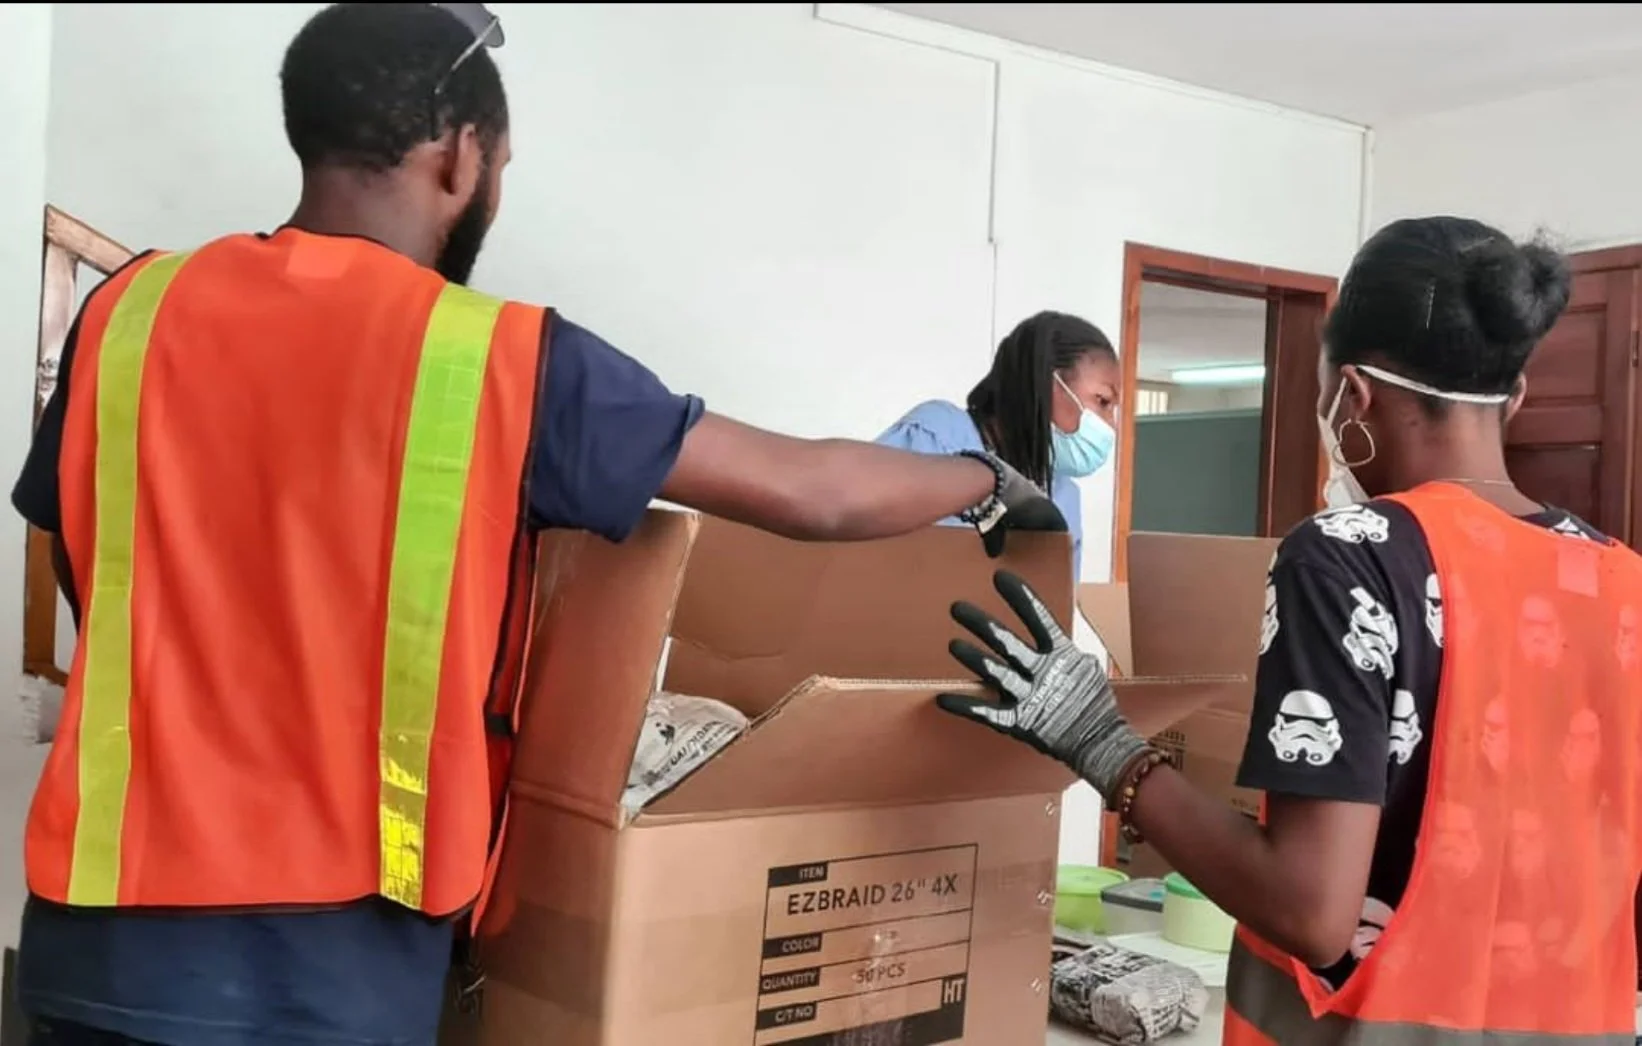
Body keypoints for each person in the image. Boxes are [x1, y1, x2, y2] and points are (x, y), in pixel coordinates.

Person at [10, 5, 1059, 1046]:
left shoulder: (131, 309)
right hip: (331, 959)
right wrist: (980, 478)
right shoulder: (497, 358)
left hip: (96, 938)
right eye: (500, 163)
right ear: (459, 155)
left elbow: (75, 551)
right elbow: (809, 489)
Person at [935, 217, 1642, 1043]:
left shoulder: (1352, 558)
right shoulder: (1622, 580)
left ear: (1354, 395)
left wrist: (1103, 747)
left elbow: (1311, 912)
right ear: (1513, 396)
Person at [875, 311, 1121, 578]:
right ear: (1045, 383)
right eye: (1103, 402)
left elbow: (1056, 606)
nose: (1111, 424)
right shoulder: (935, 436)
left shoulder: (1063, 497)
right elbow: (862, 549)